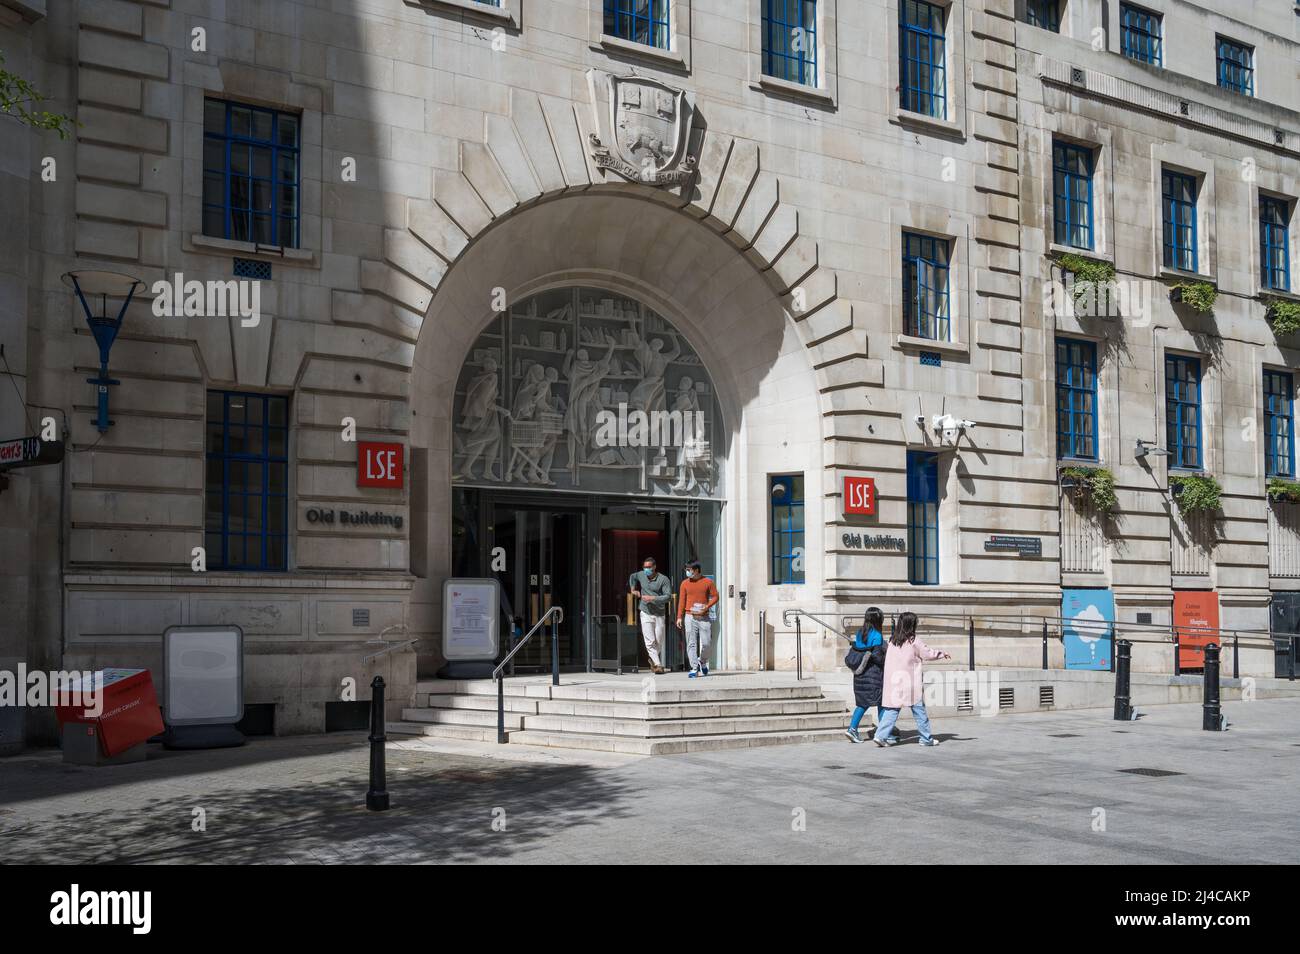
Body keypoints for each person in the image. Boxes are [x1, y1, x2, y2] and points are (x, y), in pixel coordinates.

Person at [874, 611, 950, 747]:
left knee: (891, 710)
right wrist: (941, 654)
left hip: (894, 682)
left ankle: (880, 736)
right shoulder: (914, 640)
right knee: (919, 712)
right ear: (912, 624)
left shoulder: (892, 640)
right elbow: (927, 654)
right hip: (910, 683)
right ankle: (926, 739)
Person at [843, 607, 887, 743]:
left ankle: (853, 728)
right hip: (874, 674)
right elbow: (878, 657)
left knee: (862, 703)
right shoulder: (877, 636)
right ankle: (882, 731)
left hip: (860, 673)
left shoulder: (859, 632)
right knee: (881, 702)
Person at [629, 556, 671, 674]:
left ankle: (652, 659)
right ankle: (658, 665)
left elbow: (668, 596)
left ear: (654, 567)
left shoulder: (663, 579)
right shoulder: (641, 575)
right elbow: (633, 577)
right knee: (650, 641)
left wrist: (652, 598)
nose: (646, 569)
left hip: (659, 613)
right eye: (644, 567)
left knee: (659, 640)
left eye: (648, 567)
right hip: (645, 612)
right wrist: (633, 589)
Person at [676, 560, 719, 677]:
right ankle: (694, 668)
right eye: (686, 570)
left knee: (707, 643)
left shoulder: (708, 582)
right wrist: (679, 616)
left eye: (689, 570)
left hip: (704, 616)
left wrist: (707, 606)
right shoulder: (684, 583)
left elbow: (715, 596)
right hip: (689, 616)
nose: (687, 572)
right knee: (691, 643)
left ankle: (702, 661)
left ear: (696, 570)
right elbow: (681, 601)